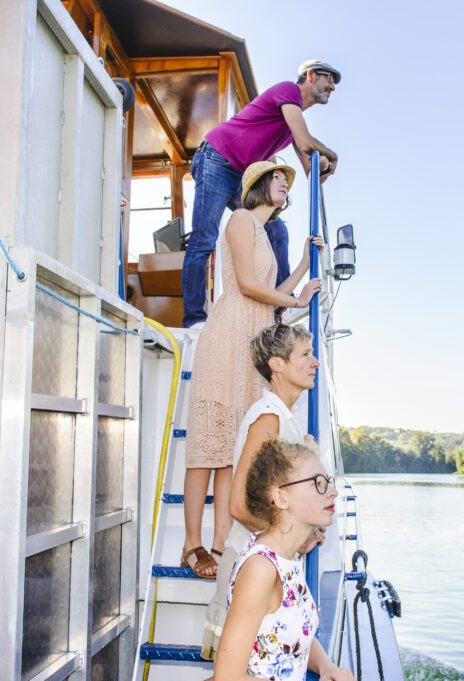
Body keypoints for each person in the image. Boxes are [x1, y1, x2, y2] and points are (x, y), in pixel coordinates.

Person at [181, 160, 322, 580]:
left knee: (231, 450)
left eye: (285, 180)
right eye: (278, 178)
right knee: (207, 446)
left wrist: (302, 268)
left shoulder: (263, 232)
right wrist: (296, 302)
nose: (284, 184)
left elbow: (272, 297)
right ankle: (192, 543)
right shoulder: (241, 219)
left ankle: (223, 543)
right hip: (228, 336)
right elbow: (245, 283)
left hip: (254, 339)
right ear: (259, 185)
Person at [182, 59, 341, 327]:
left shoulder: (291, 126)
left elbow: (310, 171)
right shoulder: (288, 90)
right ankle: (194, 319)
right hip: (216, 159)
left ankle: (282, 305)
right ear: (310, 75)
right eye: (330, 79)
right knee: (204, 238)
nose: (333, 87)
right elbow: (305, 141)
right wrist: (333, 155)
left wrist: (321, 167)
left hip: (239, 176)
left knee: (276, 230)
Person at [200, 323, 324, 658]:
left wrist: (303, 534)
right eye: (305, 354)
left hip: (270, 571)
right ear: (277, 364)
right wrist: (291, 536)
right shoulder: (268, 418)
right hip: (251, 573)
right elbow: (239, 505)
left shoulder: (286, 420)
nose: (315, 362)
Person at [213, 439, 352, 681]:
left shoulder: (287, 557)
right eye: (318, 483)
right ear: (281, 498)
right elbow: (227, 678)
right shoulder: (261, 569)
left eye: (328, 482)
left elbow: (292, 636)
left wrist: (326, 667)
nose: (333, 491)